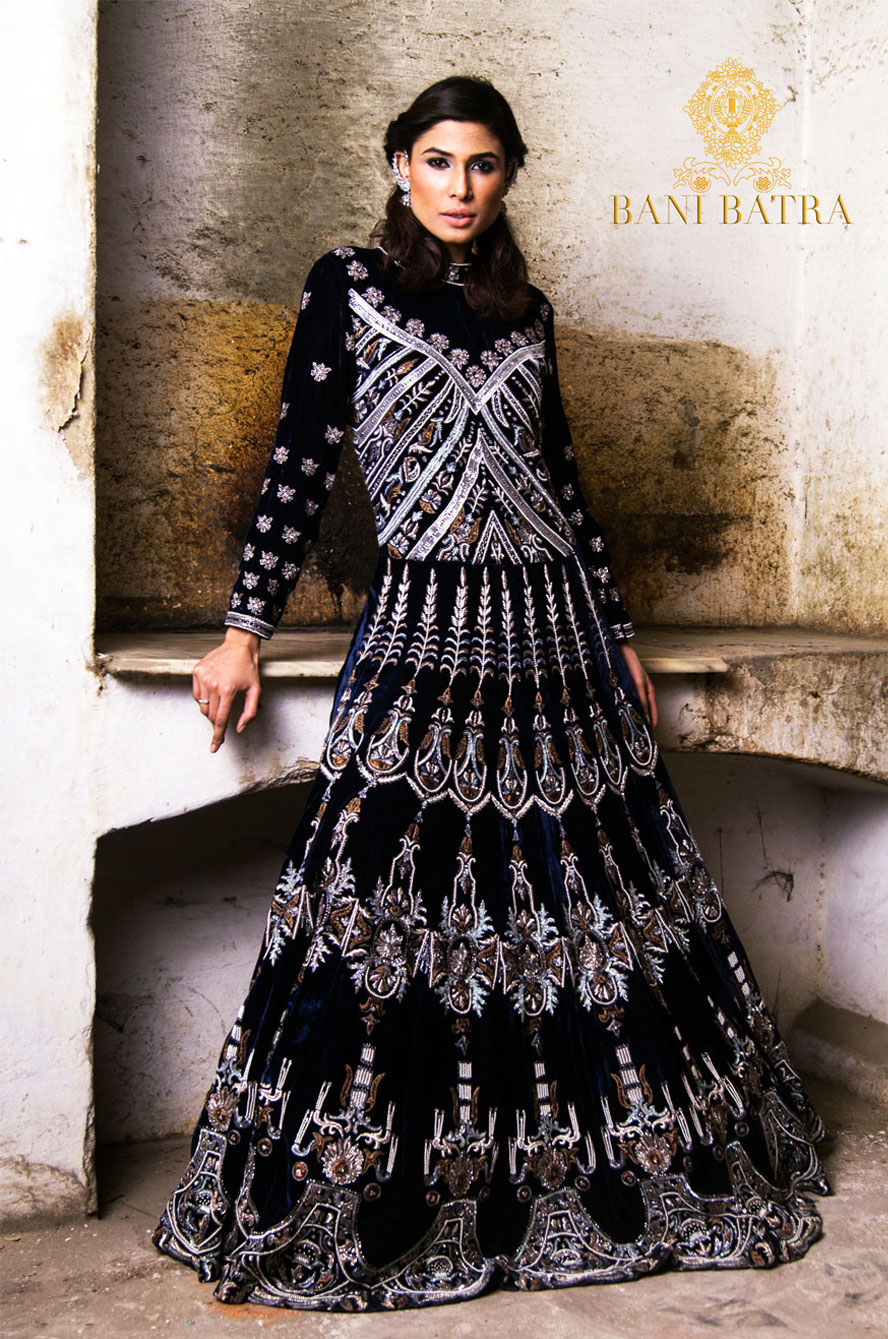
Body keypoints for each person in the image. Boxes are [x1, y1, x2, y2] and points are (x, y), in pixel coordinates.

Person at [152, 75, 829, 1312]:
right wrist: (241, 632)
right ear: (399, 165)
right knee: (405, 897)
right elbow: (299, 463)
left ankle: (598, 1166)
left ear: (510, 174)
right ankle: (417, 1181)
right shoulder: (347, 285)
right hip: (422, 629)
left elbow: (566, 484)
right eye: (439, 162)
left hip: (554, 636)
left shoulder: (530, 312)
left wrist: (617, 628)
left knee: (580, 895)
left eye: (485, 166)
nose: (461, 188)